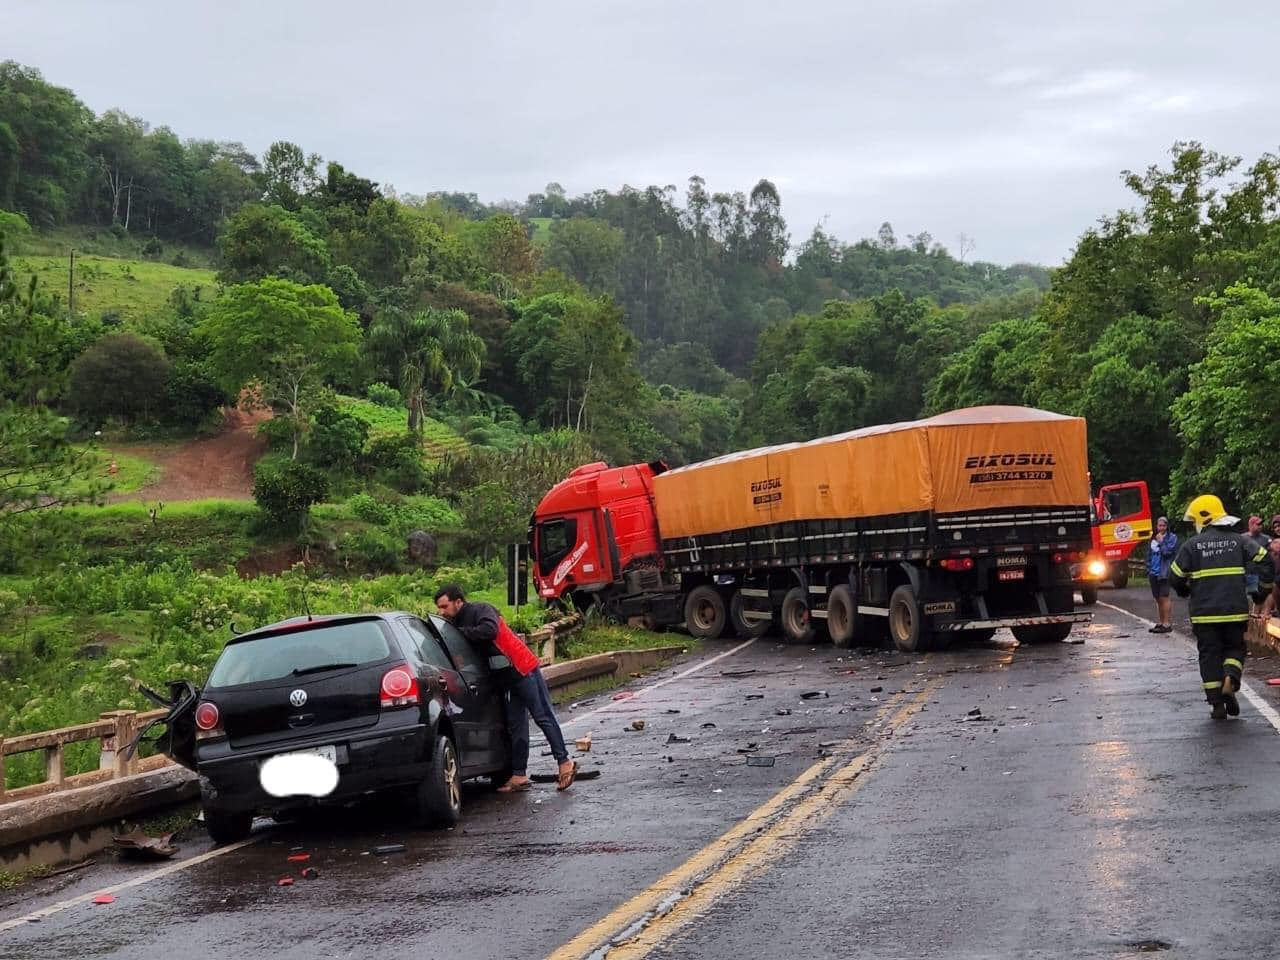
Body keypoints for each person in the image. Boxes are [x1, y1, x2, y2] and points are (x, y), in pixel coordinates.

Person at [433, 584, 578, 792]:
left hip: (522, 668)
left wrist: (460, 633)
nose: (442, 612)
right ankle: (519, 774)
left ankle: (565, 763)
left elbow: (489, 631)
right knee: (516, 725)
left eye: (444, 606)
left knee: (542, 715)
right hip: (506, 679)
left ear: (458, 602)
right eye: (439, 608)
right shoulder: (455, 625)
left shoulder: (480, 610)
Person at [1170, 495, 1269, 720]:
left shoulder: (1192, 546)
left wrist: (1185, 590)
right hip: (1234, 610)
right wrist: (1262, 589)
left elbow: (1174, 576)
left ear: (1202, 519)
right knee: (1235, 648)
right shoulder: (1239, 541)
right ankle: (1231, 675)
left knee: (1209, 655)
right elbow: (1264, 559)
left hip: (1204, 615)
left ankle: (1216, 704)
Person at [1146, 516, 1178, 633]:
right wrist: (1148, 569)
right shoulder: (1152, 538)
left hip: (1164, 572)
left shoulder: (1172, 538)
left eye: (1163, 525)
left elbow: (1168, 553)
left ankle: (1167, 623)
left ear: (1167, 526)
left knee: (1164, 597)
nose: (1161, 528)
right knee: (1158, 598)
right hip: (1153, 572)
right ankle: (1160, 622)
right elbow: (1148, 554)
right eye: (1159, 525)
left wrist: (1162, 542)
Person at [1246, 515, 1275, 616]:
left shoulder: (1266, 539)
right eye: (1258, 524)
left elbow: (1272, 555)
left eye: (1261, 524)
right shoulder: (1243, 538)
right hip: (1248, 574)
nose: (1260, 526)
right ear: (1251, 525)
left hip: (1263, 575)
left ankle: (1262, 616)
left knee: (1264, 595)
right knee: (1251, 598)